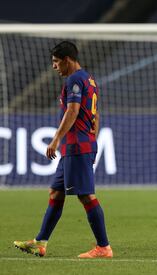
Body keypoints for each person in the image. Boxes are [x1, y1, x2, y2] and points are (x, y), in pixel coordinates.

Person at [14, 41, 113, 258]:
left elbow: (73, 110)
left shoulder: (75, 79)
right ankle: (40, 242)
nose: (54, 66)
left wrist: (56, 139)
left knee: (86, 196)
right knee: (56, 192)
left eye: (56, 62)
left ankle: (103, 247)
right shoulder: (89, 78)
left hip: (76, 145)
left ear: (67, 60)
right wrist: (92, 141)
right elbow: (95, 115)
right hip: (78, 145)